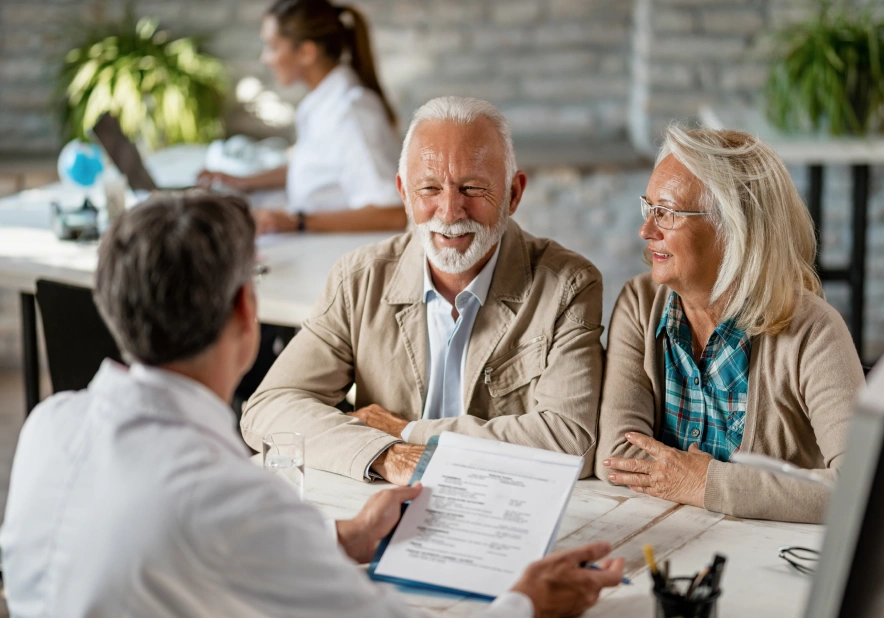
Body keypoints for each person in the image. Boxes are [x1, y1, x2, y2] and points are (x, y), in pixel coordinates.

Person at [0, 192, 624, 617]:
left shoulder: (48, 428)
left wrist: (344, 538)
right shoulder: (232, 498)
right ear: (247, 312)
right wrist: (528, 603)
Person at [240, 96, 605, 485]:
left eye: (472, 188)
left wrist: (407, 432)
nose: (449, 212)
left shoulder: (569, 286)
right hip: (383, 504)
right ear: (403, 193)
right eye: (429, 188)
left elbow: (571, 444)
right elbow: (269, 408)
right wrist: (388, 456)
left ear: (514, 194)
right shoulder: (359, 279)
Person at [595, 126, 865, 524]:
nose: (646, 230)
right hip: (666, 540)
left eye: (666, 213)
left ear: (732, 228)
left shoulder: (815, 332)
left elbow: (860, 490)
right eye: (648, 207)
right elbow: (616, 458)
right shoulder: (639, 305)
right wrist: (741, 487)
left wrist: (708, 483)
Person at [198, 0, 406, 235]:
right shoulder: (321, 102)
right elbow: (314, 168)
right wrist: (243, 182)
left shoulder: (351, 113)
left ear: (306, 52)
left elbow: (393, 213)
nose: (265, 58)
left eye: (272, 47)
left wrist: (295, 221)